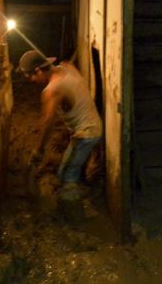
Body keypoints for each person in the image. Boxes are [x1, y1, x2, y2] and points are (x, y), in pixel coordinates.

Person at [18, 50, 102, 186]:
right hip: (95, 125)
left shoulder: (52, 90)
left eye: (31, 77)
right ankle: (82, 183)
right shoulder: (67, 67)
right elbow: (74, 102)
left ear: (38, 70)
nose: (32, 82)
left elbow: (47, 123)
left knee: (66, 174)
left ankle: (74, 205)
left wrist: (38, 151)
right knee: (75, 168)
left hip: (86, 134)